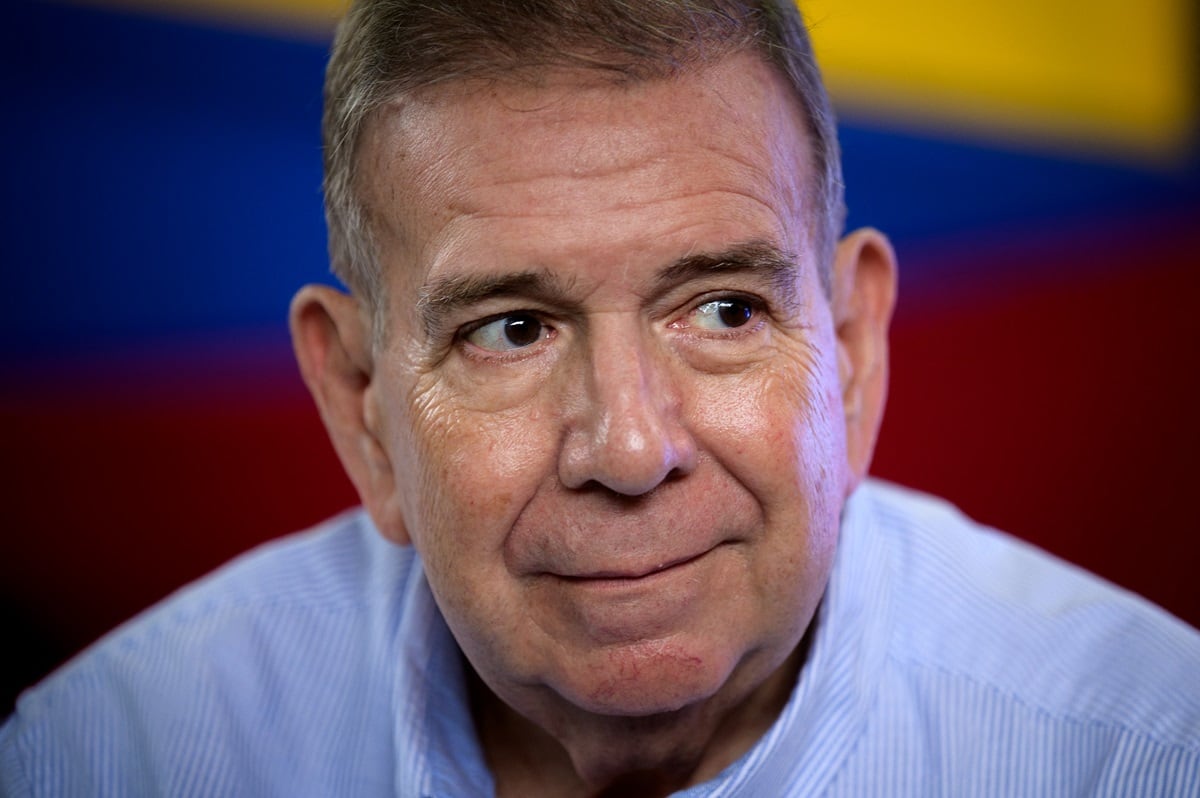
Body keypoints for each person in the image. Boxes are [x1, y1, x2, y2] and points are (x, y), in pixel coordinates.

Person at [3, 1, 1198, 795]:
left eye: (722, 310)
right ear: (361, 404)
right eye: (512, 330)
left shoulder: (1144, 755)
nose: (630, 450)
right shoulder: (107, 760)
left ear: (852, 352)